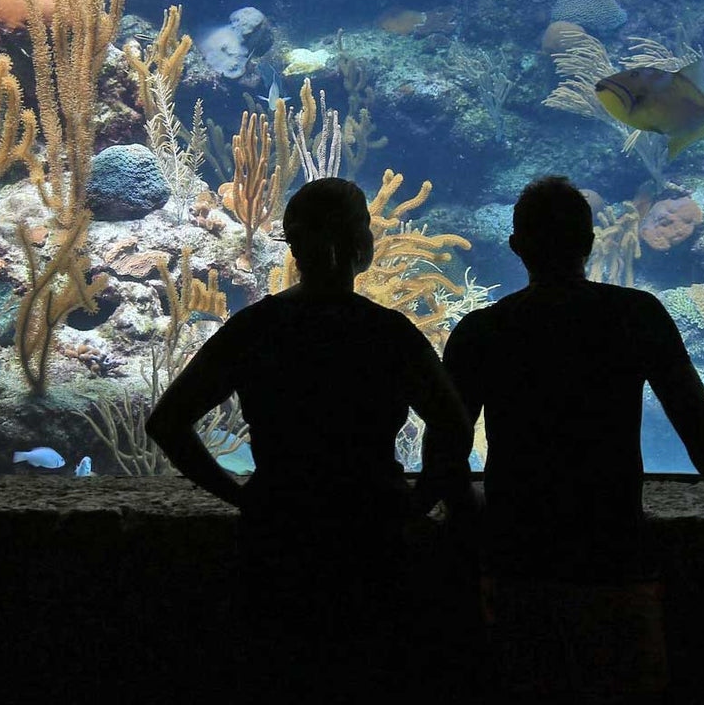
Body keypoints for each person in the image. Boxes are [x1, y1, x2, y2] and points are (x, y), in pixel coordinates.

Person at [422, 175, 704, 704]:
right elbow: (695, 419)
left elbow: (445, 444)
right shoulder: (636, 315)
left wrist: (463, 505)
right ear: (590, 242)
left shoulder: (481, 331)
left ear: (517, 246)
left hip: (517, 557)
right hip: (614, 553)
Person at [145, 177, 474, 702]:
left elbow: (166, 423)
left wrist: (239, 494)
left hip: (278, 531)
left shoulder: (256, 328)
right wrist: (420, 501)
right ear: (361, 245)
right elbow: (454, 425)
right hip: (372, 531)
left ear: (293, 247)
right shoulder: (387, 332)